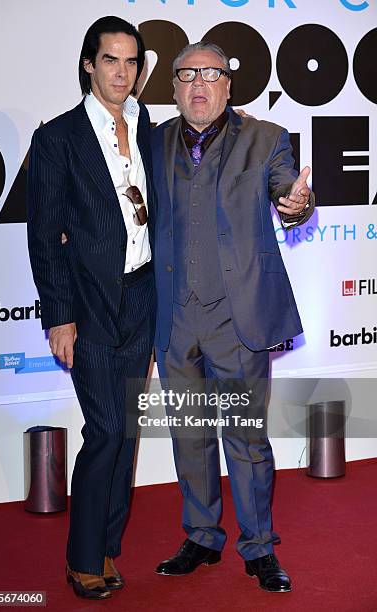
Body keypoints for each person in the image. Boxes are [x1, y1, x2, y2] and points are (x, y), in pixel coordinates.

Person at [152, 42, 315, 593]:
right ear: (173, 87)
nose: (199, 84)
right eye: (188, 74)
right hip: (174, 320)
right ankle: (200, 536)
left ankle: (259, 547)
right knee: (189, 435)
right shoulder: (153, 144)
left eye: (211, 74)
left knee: (246, 438)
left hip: (236, 319)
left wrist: (299, 205)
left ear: (228, 85)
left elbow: (289, 193)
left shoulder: (266, 138)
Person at [27, 16, 156, 600]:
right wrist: (58, 316)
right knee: (105, 429)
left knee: (126, 432)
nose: (122, 73)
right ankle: (82, 560)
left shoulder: (147, 123)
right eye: (111, 60)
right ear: (88, 63)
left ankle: (107, 546)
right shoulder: (58, 138)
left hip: (143, 297)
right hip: (89, 303)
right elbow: (43, 235)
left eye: (131, 62)